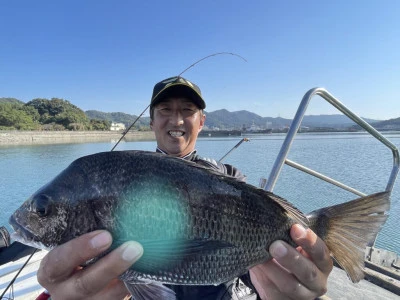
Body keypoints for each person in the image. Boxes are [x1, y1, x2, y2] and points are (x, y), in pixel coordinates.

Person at [37, 76, 333, 300]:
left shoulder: (230, 179)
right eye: (165, 109)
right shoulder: (116, 179)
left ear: (201, 122)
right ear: (151, 121)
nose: (176, 119)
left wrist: (288, 284)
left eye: (187, 110)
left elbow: (251, 265)